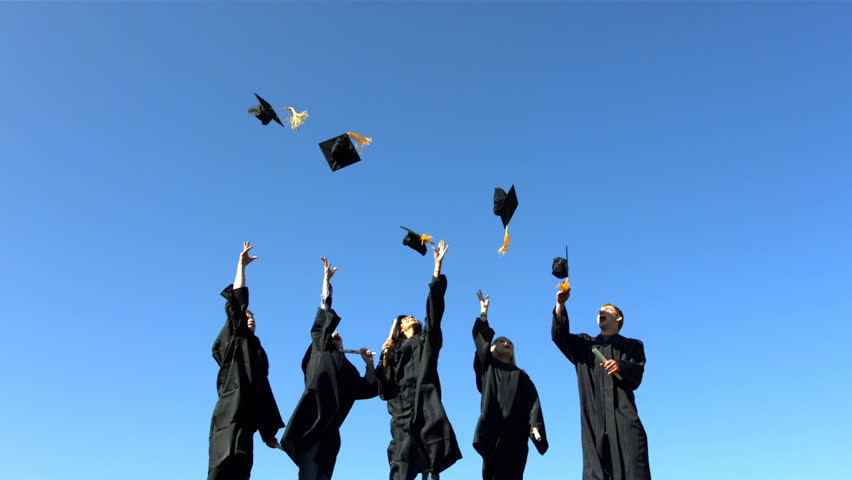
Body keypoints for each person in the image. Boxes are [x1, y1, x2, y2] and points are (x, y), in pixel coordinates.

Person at [280, 257, 380, 479]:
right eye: (331, 334)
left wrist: (370, 364)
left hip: (331, 426)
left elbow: (367, 389)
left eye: (337, 336)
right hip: (311, 416)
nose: (335, 334)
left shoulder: (347, 369)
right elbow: (324, 312)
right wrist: (326, 281)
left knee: (323, 471)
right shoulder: (321, 348)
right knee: (309, 469)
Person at [376, 240, 461, 480]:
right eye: (404, 320)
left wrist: (436, 270)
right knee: (401, 463)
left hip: (426, 405)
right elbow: (385, 388)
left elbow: (435, 312)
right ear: (399, 331)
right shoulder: (395, 350)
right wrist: (384, 358)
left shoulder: (427, 341)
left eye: (412, 317)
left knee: (430, 464)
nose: (410, 318)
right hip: (402, 409)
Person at [551, 286, 651, 480]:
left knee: (633, 468)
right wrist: (560, 304)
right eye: (599, 311)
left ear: (619, 318)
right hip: (594, 422)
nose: (600, 312)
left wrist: (621, 366)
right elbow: (559, 336)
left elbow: (637, 373)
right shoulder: (584, 346)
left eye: (606, 310)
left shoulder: (632, 346)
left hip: (623, 419)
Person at [208, 242, 284, 480]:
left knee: (242, 467)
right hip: (229, 410)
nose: (250, 321)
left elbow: (263, 388)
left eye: (253, 319)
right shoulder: (234, 340)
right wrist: (241, 267)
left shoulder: (257, 351)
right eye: (246, 319)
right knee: (222, 465)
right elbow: (237, 304)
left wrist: (267, 431)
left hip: (249, 417)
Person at [472, 291, 548, 480]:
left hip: (516, 434)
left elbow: (533, 402)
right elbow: (481, 344)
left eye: (510, 342)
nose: (507, 343)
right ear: (492, 348)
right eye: (501, 341)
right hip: (493, 430)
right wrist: (483, 313)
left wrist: (535, 426)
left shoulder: (521, 375)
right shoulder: (487, 366)